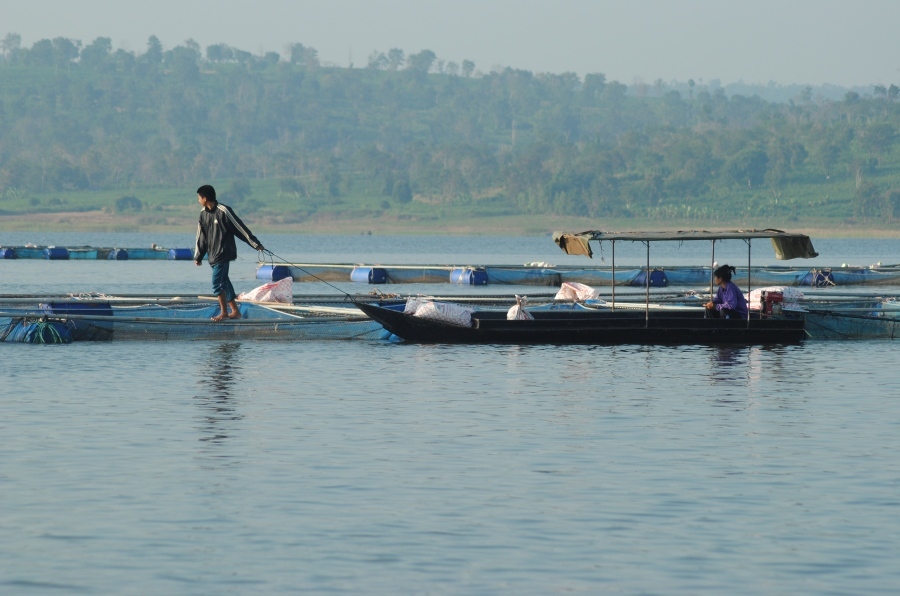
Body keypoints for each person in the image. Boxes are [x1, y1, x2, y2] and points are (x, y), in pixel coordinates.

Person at [193, 184, 265, 322]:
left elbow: (240, 228)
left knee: (216, 283)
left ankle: (224, 313)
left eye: (199, 198)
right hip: (212, 255)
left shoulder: (224, 211)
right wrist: (199, 256)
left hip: (224, 254)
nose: (198, 200)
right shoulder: (203, 214)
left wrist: (255, 244)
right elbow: (200, 237)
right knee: (224, 282)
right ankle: (236, 312)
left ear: (205, 198)